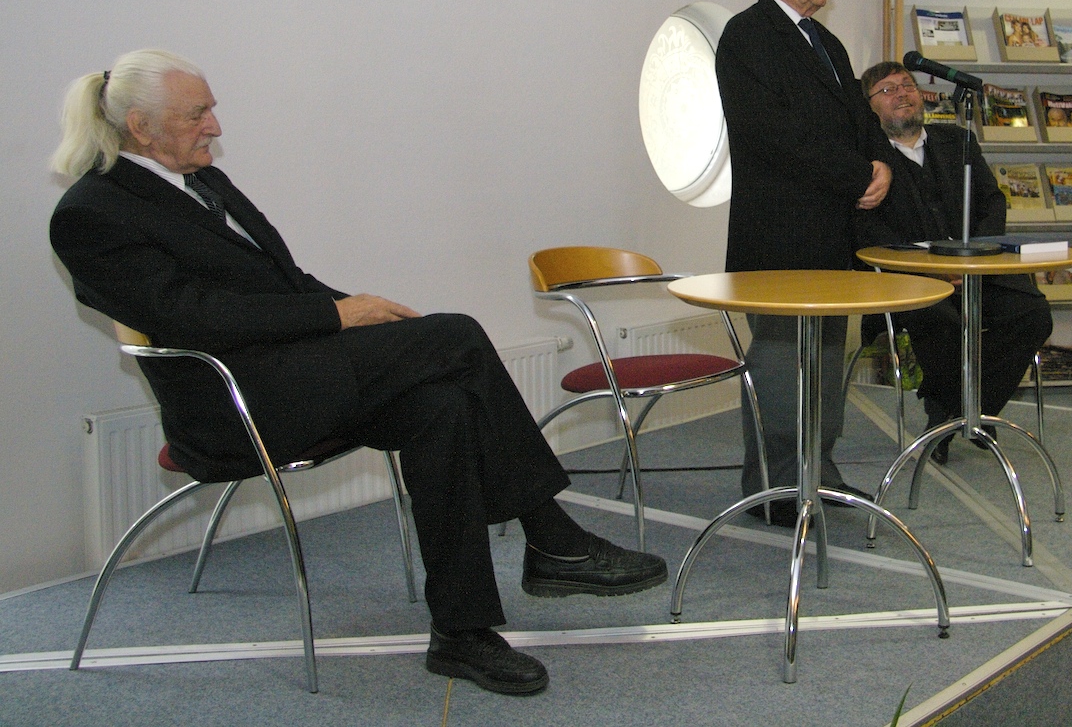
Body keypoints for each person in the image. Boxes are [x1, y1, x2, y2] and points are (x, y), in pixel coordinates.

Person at [48, 50, 667, 697]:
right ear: (141, 126)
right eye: (197, 113)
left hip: (295, 380)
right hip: (233, 407)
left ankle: (462, 632)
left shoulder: (204, 182)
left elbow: (285, 282)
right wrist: (338, 315)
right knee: (455, 335)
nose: (214, 126)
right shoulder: (90, 213)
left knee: (443, 403)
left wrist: (358, 310)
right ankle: (553, 539)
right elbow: (192, 316)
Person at [715, 0, 894, 527]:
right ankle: (774, 487)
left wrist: (880, 163)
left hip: (833, 237)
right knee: (780, 364)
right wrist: (856, 174)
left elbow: (861, 120)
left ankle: (819, 472)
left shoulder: (828, 43)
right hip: (777, 237)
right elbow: (774, 136)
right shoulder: (746, 36)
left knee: (824, 360)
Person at [854, 62, 1054, 464]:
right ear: (869, 107)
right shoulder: (864, 159)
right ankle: (966, 413)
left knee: (1032, 313)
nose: (902, 94)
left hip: (973, 271)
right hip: (906, 282)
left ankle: (954, 411)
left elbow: (992, 202)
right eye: (888, 90)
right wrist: (930, 269)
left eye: (907, 85)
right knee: (943, 322)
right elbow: (865, 229)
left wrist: (972, 256)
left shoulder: (958, 141)